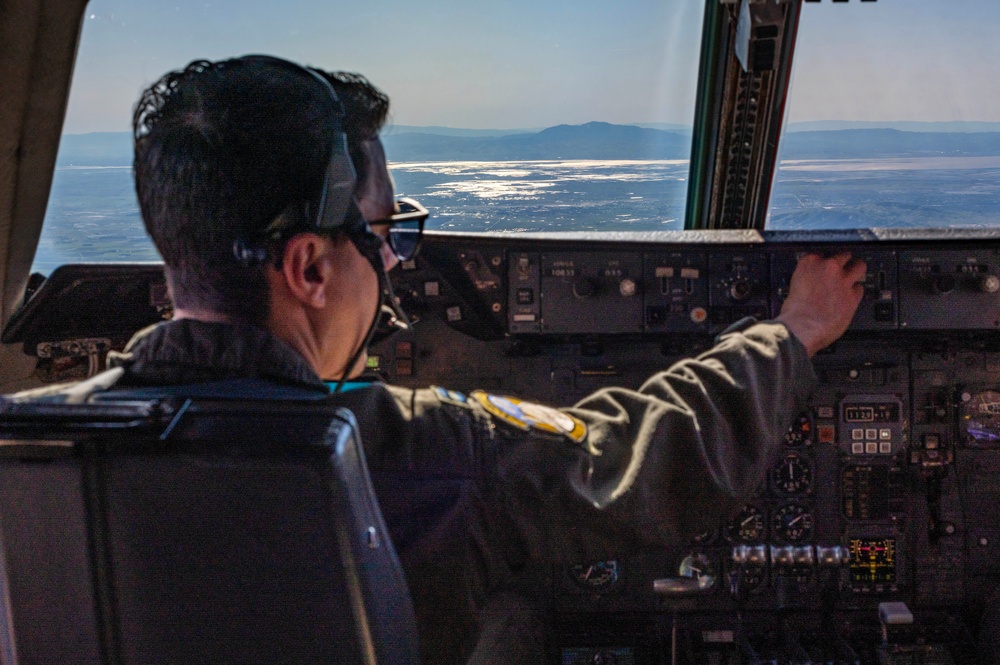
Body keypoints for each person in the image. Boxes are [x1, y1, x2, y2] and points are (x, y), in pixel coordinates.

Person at [42, 56, 868, 663]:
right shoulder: (427, 453)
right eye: (388, 233)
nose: (398, 261)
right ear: (309, 268)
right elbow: (649, 459)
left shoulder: (31, 446)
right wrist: (789, 335)